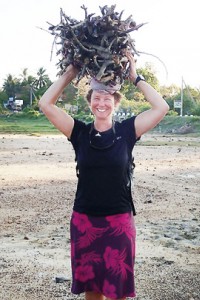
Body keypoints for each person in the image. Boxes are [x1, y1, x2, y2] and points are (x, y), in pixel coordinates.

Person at [38, 51, 169, 300]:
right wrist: (70, 73)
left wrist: (135, 77)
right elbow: (45, 104)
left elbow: (161, 107)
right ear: (90, 102)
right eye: (97, 97)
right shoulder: (78, 132)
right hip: (85, 220)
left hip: (119, 221)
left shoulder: (128, 131)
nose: (102, 103)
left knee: (117, 290)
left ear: (115, 103)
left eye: (107, 98)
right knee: (93, 289)